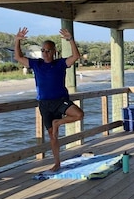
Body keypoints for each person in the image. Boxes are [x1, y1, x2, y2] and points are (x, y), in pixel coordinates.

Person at [14, 27, 85, 172]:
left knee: (79, 114)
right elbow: (18, 57)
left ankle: (58, 122)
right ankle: (57, 163)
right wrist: (17, 41)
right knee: (53, 136)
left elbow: (76, 56)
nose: (45, 53)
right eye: (43, 51)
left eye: (48, 50)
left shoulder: (60, 63)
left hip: (60, 100)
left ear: (54, 51)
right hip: (44, 104)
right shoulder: (36, 64)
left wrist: (70, 40)